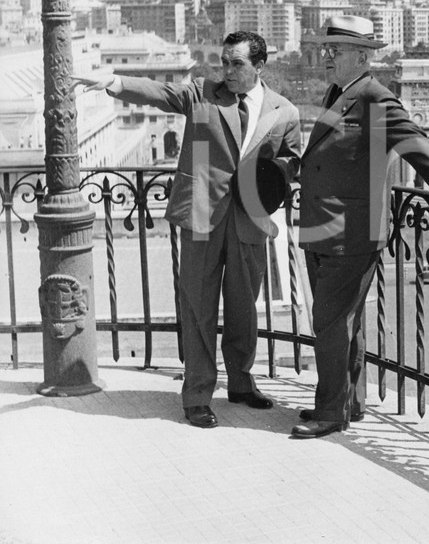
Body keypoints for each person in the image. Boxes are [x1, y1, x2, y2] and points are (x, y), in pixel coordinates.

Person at [72, 31, 301, 429]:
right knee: (198, 307)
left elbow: (292, 161)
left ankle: (242, 384)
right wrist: (113, 82)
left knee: (245, 308)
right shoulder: (202, 94)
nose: (226, 71)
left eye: (237, 64)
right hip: (201, 217)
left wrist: (274, 176)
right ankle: (197, 395)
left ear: (259, 67)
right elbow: (159, 92)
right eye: (224, 62)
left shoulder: (285, 112)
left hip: (250, 220)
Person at [291, 16, 429, 438]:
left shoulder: (375, 97)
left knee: (331, 323)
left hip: (350, 232)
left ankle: (330, 412)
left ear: (361, 56)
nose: (326, 57)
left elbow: (414, 141)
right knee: (343, 323)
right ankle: (348, 403)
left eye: (335, 51)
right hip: (326, 226)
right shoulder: (341, 92)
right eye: (326, 49)